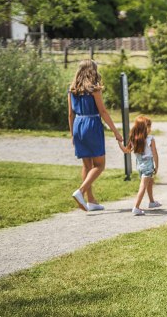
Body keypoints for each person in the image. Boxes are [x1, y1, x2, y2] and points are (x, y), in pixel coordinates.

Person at [68, 59, 123, 212]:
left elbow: (70, 114)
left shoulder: (72, 89)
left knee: (87, 165)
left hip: (78, 125)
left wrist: (73, 134)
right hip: (91, 125)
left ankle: (91, 201)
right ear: (92, 71)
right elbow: (103, 112)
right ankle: (81, 191)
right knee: (99, 165)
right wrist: (116, 132)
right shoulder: (94, 89)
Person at [117, 116, 161, 216]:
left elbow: (126, 151)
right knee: (143, 186)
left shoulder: (134, 139)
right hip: (148, 164)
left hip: (140, 165)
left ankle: (152, 202)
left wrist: (119, 142)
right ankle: (136, 207)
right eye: (150, 126)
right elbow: (155, 153)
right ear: (146, 128)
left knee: (150, 181)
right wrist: (157, 166)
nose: (151, 128)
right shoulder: (150, 139)